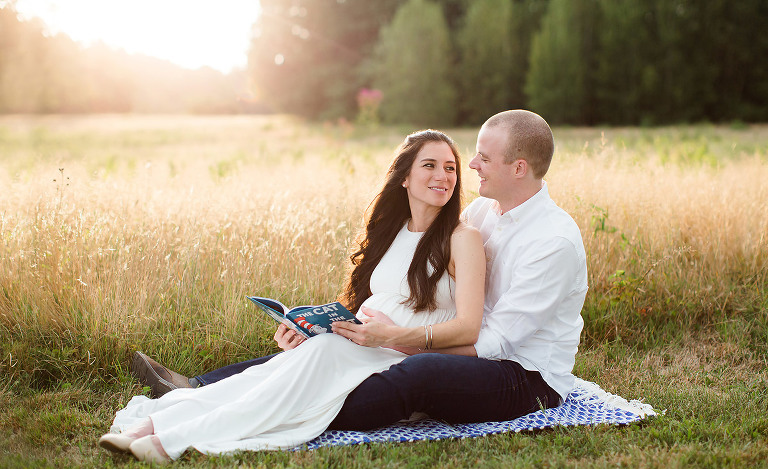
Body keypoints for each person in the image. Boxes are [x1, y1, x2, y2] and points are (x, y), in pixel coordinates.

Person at [132, 109, 587, 432]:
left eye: (483, 157)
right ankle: (203, 387)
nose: (470, 166)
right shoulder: (488, 210)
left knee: (418, 372)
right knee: (330, 353)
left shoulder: (553, 242)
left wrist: (400, 343)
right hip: (461, 344)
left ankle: (301, 408)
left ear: (519, 167)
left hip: (524, 377)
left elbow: (495, 342)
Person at [99, 129, 487, 462]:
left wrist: (394, 337)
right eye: (430, 165)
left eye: (450, 167)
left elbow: (468, 328)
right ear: (404, 177)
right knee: (264, 375)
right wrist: (309, 330)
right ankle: (152, 425)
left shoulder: (462, 238)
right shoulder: (394, 232)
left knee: (277, 385)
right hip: (360, 344)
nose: (443, 176)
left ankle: (167, 442)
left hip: (398, 358)